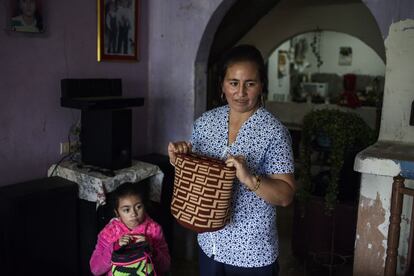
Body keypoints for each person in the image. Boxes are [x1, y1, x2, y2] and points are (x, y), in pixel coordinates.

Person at [168, 44, 296, 276]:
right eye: (233, 83)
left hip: (252, 252)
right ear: (222, 85)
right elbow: (198, 178)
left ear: (261, 86)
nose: (240, 92)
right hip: (210, 244)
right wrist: (180, 159)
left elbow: (286, 195)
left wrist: (249, 178)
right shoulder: (205, 123)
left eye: (250, 83)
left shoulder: (274, 132)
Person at [90, 182, 171, 275]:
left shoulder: (155, 230)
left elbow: (165, 266)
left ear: (144, 206)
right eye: (126, 210)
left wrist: (151, 249)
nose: (134, 214)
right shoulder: (108, 233)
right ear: (117, 212)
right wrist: (114, 248)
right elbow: (95, 269)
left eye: (138, 207)